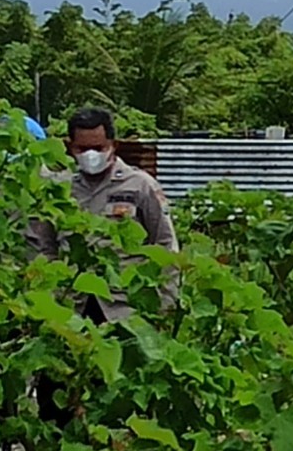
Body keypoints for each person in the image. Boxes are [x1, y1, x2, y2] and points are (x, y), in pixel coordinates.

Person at [25, 106, 178, 323]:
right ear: (71, 148)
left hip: (125, 307)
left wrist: (165, 307)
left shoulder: (140, 186)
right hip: (72, 306)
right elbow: (41, 247)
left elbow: (165, 245)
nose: (91, 155)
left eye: (98, 148)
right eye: (82, 149)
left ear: (113, 145)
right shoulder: (59, 189)